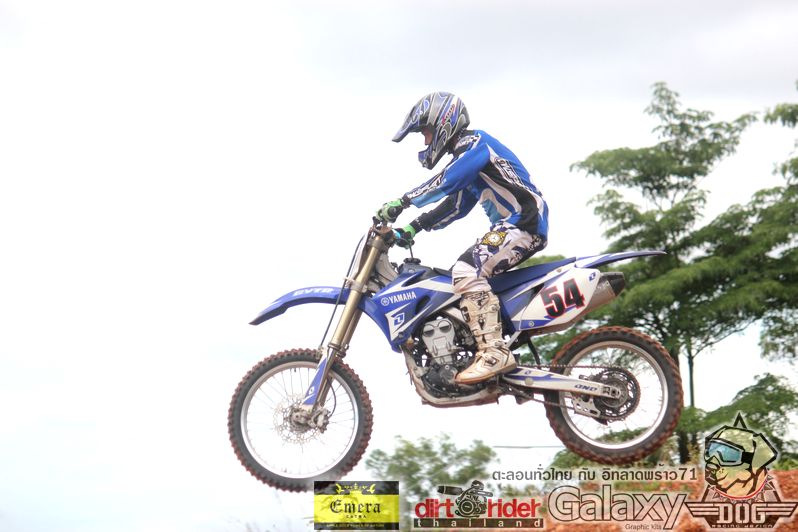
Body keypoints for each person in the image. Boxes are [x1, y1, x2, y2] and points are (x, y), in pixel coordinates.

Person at [376, 92, 549, 384]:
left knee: (466, 271)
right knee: (461, 281)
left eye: (426, 132)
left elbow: (449, 179)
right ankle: (483, 344)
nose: (426, 141)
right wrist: (414, 227)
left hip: (523, 222)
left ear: (442, 123)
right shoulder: (468, 157)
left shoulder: (475, 143)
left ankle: (494, 351)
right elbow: (456, 205)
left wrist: (404, 201)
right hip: (514, 226)